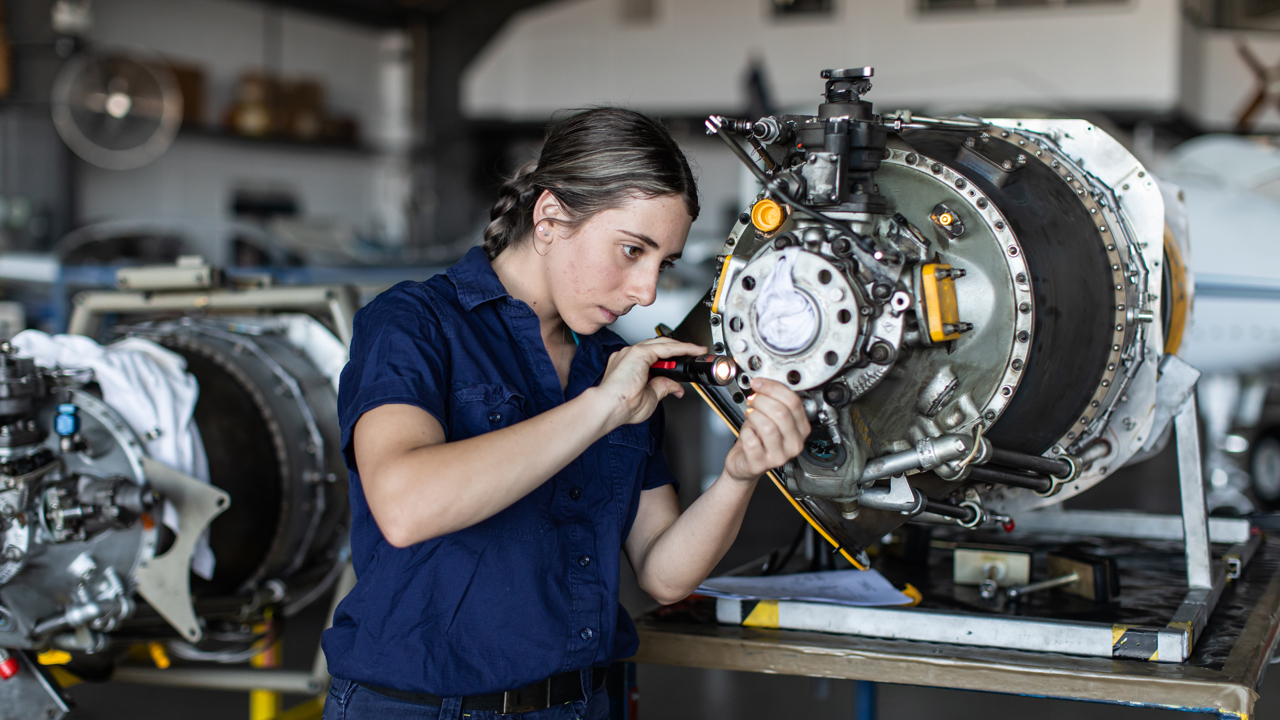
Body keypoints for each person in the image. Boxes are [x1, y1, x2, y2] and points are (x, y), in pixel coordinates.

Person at [321, 107, 811, 720]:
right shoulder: (416, 325)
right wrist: (601, 408)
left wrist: (740, 474)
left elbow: (662, 573)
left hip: (578, 705)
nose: (647, 290)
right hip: (422, 707)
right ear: (550, 217)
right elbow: (405, 505)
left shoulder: (615, 367)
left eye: (663, 263)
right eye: (632, 250)